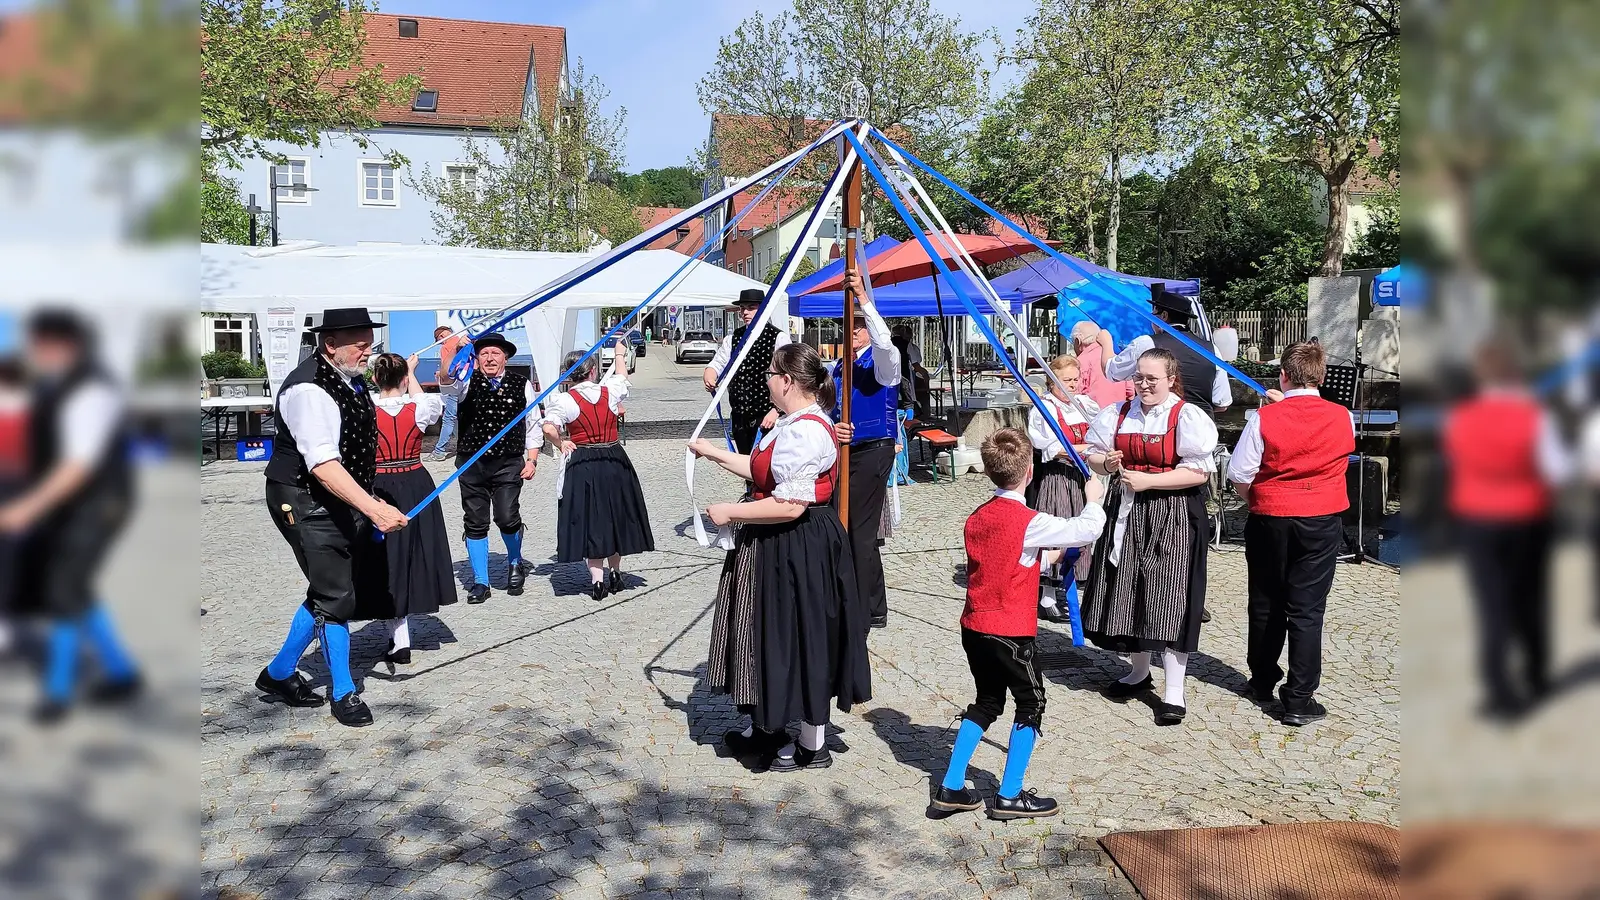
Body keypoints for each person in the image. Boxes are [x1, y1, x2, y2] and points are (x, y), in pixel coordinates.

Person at [690, 342, 871, 772]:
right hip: (779, 541)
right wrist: (712, 452)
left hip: (796, 542)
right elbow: (762, 470)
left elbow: (791, 504)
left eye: (771, 373)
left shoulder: (806, 430)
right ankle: (765, 727)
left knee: (797, 633)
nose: (767, 379)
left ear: (787, 381)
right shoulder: (793, 423)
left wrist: (729, 511)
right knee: (769, 631)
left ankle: (810, 743)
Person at [932, 428, 1107, 820]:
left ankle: (952, 786)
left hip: (975, 626)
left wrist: (1049, 556)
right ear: (1030, 471)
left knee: (987, 701)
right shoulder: (1030, 520)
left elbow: (1009, 562)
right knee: (1031, 703)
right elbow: (1088, 528)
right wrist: (1093, 499)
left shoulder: (978, 517)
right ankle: (1009, 795)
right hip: (1010, 630)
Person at [255, 308, 408, 727]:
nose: (367, 350)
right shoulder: (309, 390)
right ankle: (344, 692)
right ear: (330, 344)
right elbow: (322, 464)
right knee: (336, 594)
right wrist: (374, 508)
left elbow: (354, 450)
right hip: (302, 498)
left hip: (336, 497)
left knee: (329, 588)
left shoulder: (350, 379)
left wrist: (368, 497)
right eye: (359, 342)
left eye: (369, 341)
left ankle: (279, 674)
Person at [0, 312, 140, 723]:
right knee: (75, 588)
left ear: (64, 346)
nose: (34, 353)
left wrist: (27, 507)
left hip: (98, 505)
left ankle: (57, 694)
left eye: (40, 345)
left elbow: (77, 466)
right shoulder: (52, 387)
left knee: (63, 589)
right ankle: (121, 671)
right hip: (69, 504)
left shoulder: (91, 391)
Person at [1080, 348, 1219, 726]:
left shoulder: (1186, 416)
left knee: (1170, 596)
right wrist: (1105, 463)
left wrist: (1151, 481)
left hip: (1172, 514)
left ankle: (1174, 691)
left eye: (1151, 378)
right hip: (1125, 510)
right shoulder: (1118, 413)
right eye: (1139, 377)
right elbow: (1091, 456)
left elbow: (1199, 473)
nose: (1143, 384)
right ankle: (1139, 672)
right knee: (1128, 590)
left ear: (1171, 378)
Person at [1227, 342, 1354, 726]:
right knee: (1307, 608)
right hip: (1320, 516)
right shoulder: (1341, 415)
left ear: (1283, 375)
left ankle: (1262, 678)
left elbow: (1239, 473)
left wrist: (1259, 498)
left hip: (1270, 515)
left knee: (1265, 600)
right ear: (1322, 376)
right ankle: (1299, 697)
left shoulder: (1264, 418)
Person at [1444, 344, 1567, 720]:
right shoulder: (1535, 416)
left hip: (1477, 518)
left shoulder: (1459, 418)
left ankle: (1498, 690)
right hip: (1527, 516)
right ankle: (1537, 674)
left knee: (1491, 606)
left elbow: (1455, 462)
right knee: (1530, 598)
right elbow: (1557, 468)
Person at [542, 340, 655, 601]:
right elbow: (622, 376)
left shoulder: (564, 400)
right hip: (614, 459)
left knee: (592, 519)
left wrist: (562, 443)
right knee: (616, 514)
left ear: (569, 375)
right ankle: (615, 572)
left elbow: (549, 428)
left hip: (583, 462)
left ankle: (597, 580)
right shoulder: (610, 391)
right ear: (593, 371)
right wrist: (618, 353)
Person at [439, 333, 541, 604]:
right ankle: (481, 581)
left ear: (505, 357)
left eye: (495, 353)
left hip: (508, 462)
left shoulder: (522, 384)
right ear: (477, 358)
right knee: (475, 521)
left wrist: (531, 459)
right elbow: (447, 377)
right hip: (472, 463)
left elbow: (532, 424)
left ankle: (515, 561)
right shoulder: (466, 381)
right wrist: (453, 347)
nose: (490, 358)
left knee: (507, 517)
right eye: (484, 354)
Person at [370, 352, 456, 669]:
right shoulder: (419, 405)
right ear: (404, 379)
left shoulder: (364, 408)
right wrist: (412, 372)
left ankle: (400, 638)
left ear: (376, 378)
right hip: (416, 480)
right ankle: (401, 636)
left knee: (387, 558)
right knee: (412, 553)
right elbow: (428, 407)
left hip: (379, 486)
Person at [832, 269, 902, 630]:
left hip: (874, 449)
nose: (852, 330)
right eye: (850, 325)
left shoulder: (884, 364)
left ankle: (866, 608)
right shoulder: (839, 367)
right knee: (843, 525)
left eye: (858, 325)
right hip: (845, 451)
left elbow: (885, 343)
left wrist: (863, 300)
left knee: (859, 531)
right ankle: (864, 601)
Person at [1025, 355, 1101, 624]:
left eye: (1075, 379)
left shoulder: (1084, 405)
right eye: (1065, 381)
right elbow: (1050, 448)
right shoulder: (1043, 409)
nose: (1072, 385)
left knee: (1080, 531)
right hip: (1056, 478)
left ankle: (1069, 591)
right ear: (1051, 381)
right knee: (1055, 532)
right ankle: (1046, 597)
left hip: (1081, 478)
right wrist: (1084, 449)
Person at [1103, 289, 1231, 418]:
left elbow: (1113, 373)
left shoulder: (1146, 343)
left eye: (1153, 315)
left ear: (1163, 316)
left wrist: (1105, 342)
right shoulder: (1212, 349)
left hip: (1160, 426)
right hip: (1202, 426)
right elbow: (1222, 403)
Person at [704, 289, 791, 454]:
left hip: (768, 417)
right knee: (745, 467)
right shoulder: (733, 338)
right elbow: (718, 363)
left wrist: (777, 411)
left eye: (751, 307)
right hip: (740, 417)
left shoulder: (778, 338)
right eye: (742, 308)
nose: (745, 312)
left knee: (766, 469)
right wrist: (710, 374)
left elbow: (790, 378)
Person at [1070, 321, 1132, 408]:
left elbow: (1072, 395)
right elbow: (1130, 392)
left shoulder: (1078, 363)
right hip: (1119, 414)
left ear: (1078, 341)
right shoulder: (1117, 359)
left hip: (1092, 418)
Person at [430, 326, 466, 461]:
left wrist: (441, 374)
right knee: (459, 417)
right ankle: (462, 445)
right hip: (467, 383)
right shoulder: (463, 341)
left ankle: (439, 451)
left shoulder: (447, 346)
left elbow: (449, 368)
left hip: (454, 384)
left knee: (449, 418)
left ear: (441, 336)